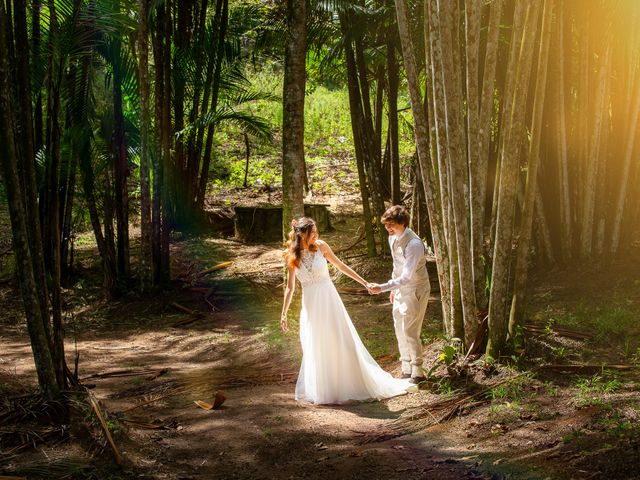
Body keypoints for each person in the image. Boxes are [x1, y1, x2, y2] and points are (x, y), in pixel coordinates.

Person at [280, 217, 413, 405]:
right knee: (317, 343)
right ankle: (327, 390)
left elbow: (341, 266)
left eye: (317, 231)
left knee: (339, 339)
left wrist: (365, 283)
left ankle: (351, 383)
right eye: (313, 232)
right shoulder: (292, 256)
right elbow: (290, 287)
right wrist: (283, 313)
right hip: (310, 306)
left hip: (329, 300)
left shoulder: (322, 246)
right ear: (302, 234)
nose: (317, 235)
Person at [367, 206, 430, 384]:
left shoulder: (414, 244)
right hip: (400, 289)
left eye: (391, 225)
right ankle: (406, 368)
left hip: (416, 289)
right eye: (386, 225)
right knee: (399, 329)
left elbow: (407, 276)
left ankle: (418, 372)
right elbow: (397, 267)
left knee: (410, 330)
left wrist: (383, 287)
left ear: (402, 223)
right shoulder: (392, 238)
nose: (388, 228)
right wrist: (394, 290)